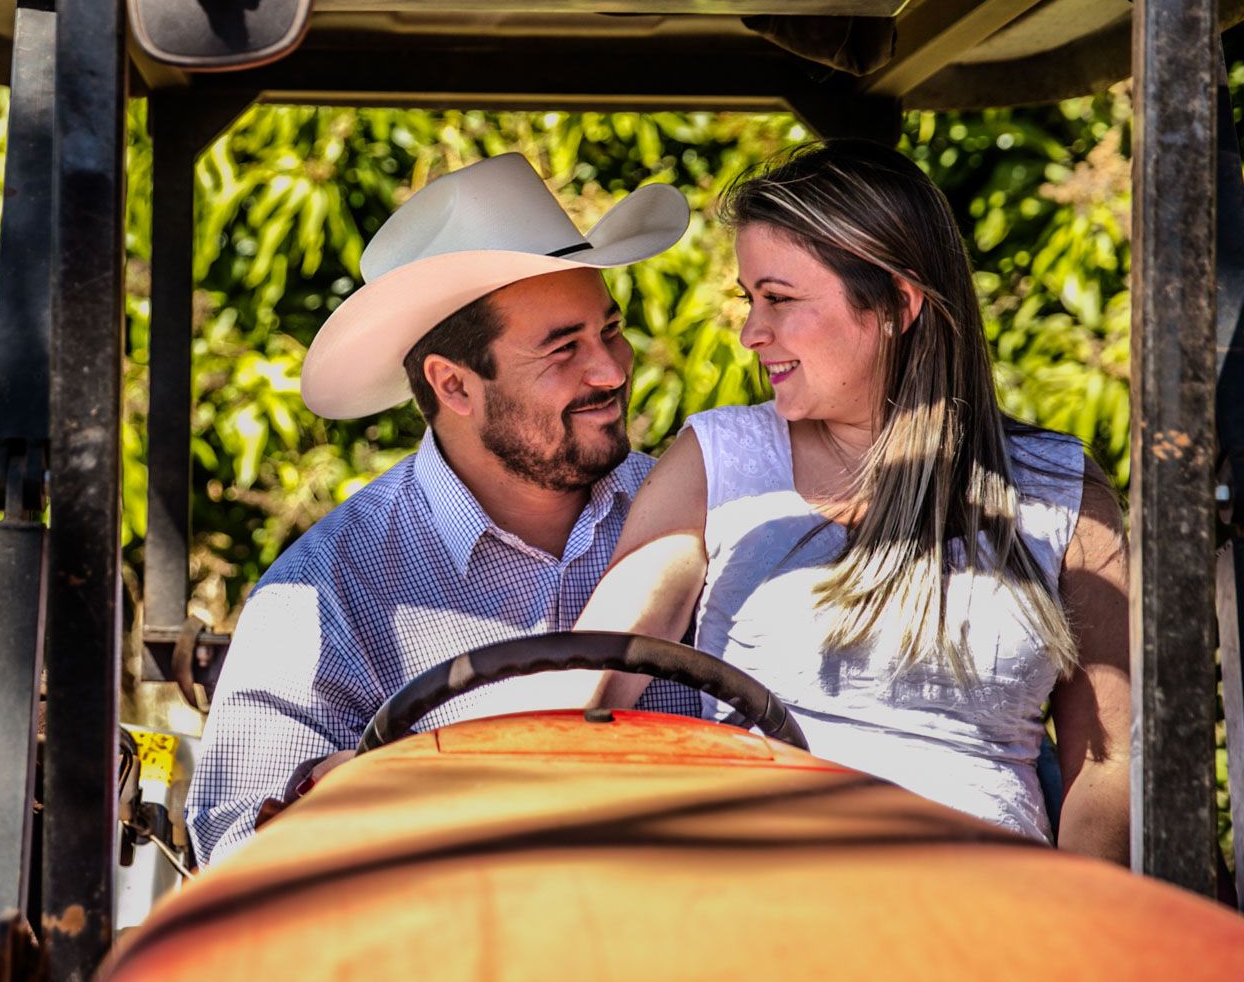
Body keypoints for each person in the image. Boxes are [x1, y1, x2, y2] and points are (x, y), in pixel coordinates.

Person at [565, 141, 1130, 861]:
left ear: (897, 302)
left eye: (779, 299)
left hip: (991, 923)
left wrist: (1078, 939)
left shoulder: (1059, 488)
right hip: (768, 908)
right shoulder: (723, 457)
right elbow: (597, 666)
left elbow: (1109, 769)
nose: (749, 333)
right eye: (749, 300)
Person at [184, 153, 698, 866]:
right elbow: (247, 851)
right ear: (453, 386)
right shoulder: (327, 590)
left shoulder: (709, 513)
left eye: (609, 329)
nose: (611, 370)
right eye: (563, 349)